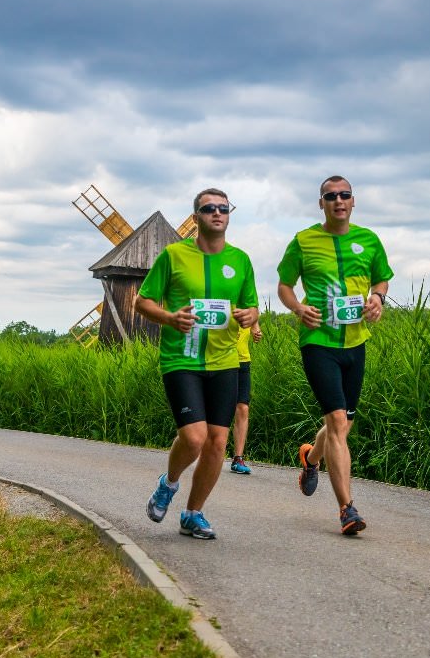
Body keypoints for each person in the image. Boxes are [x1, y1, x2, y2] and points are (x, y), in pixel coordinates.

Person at [134, 188, 259, 540]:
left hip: (224, 359)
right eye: (209, 209)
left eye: (223, 208)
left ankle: (193, 513)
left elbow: (252, 307)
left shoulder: (241, 260)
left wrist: (250, 315)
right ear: (196, 216)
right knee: (194, 438)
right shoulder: (174, 256)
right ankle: (168, 483)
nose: (217, 213)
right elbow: (142, 303)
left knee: (218, 442)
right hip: (181, 358)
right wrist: (170, 318)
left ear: (229, 214)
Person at [276, 175, 393, 535]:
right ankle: (347, 510)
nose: (338, 201)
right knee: (338, 423)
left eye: (344, 195)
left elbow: (381, 279)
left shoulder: (369, 240)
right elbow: (284, 285)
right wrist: (298, 309)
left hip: (355, 343)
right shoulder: (304, 241)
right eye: (330, 196)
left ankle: (311, 458)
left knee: (343, 424)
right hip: (318, 342)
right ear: (321, 203)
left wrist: (378, 299)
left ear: (353, 201)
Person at [229, 320, 263, 474]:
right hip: (221, 360)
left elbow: (254, 319)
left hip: (243, 361)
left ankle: (238, 458)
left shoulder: (248, 301)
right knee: (217, 408)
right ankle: (207, 450)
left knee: (242, 407)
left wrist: (256, 330)